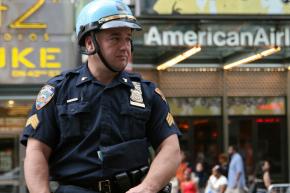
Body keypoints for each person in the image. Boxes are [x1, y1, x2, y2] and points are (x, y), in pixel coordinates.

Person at [20, 0, 181, 193]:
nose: (125, 47)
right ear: (89, 43)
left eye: (128, 38)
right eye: (115, 38)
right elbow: (36, 151)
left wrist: (147, 188)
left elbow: (171, 149)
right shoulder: (57, 91)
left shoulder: (147, 93)